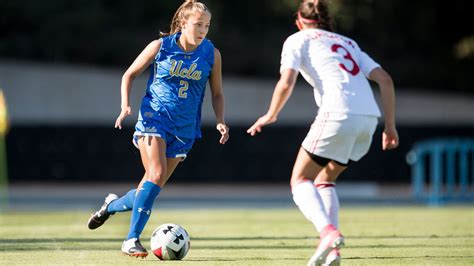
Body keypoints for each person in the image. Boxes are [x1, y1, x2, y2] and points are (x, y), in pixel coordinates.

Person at [247, 0, 399, 265]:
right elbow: (385, 79)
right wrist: (390, 125)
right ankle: (332, 251)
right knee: (325, 180)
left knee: (300, 180)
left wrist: (270, 114)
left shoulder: (297, 39)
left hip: (337, 114)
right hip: (368, 118)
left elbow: (286, 82)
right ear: (326, 20)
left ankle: (328, 233)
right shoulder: (348, 42)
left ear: (299, 20)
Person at [87, 0, 229, 258]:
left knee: (151, 185)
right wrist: (125, 106)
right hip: (154, 117)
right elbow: (129, 75)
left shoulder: (212, 54)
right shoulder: (160, 46)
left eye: (207, 26)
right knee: (156, 172)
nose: (203, 31)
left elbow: (217, 93)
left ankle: (110, 206)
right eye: (198, 25)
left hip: (185, 128)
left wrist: (220, 119)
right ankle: (131, 240)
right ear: (183, 23)